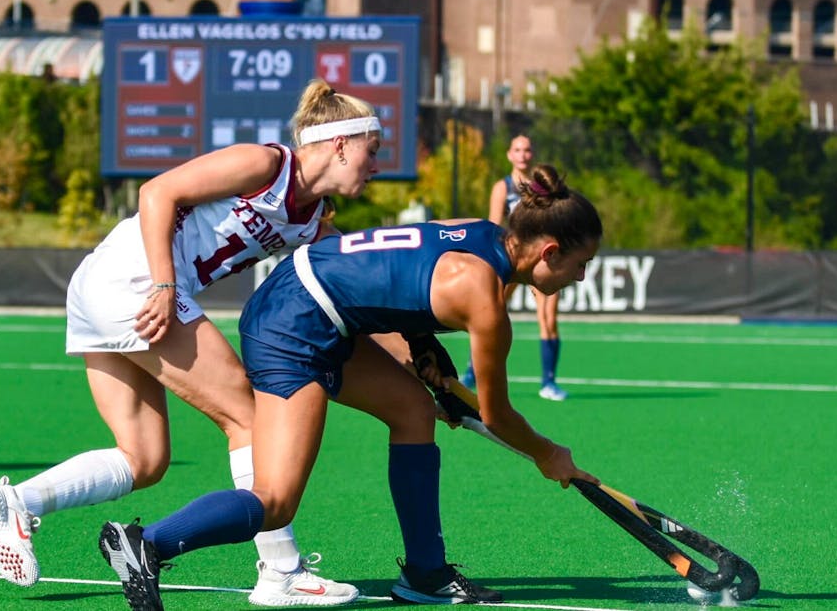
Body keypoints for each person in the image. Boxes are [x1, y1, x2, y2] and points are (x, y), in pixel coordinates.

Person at [98, 165, 603, 611]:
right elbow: (497, 415)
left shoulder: (481, 233)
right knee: (275, 500)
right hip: (291, 326)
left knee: (413, 410)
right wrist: (547, 453)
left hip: (317, 301)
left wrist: (423, 347)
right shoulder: (487, 303)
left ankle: (426, 573)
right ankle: (147, 543)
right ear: (550, 250)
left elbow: (402, 269)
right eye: (581, 264)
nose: (580, 277)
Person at [0, 79, 378, 604]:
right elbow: (156, 192)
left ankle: (18, 503)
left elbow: (354, 292)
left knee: (144, 459)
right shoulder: (265, 164)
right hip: (136, 281)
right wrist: (165, 284)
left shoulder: (315, 220)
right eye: (373, 150)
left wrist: (419, 364)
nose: (377, 165)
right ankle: (281, 572)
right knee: (249, 416)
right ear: (340, 143)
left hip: (109, 285)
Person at [462, 134, 567, 400]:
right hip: (511, 262)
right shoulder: (503, 187)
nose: (522, 154)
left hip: (541, 263)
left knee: (549, 319)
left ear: (532, 154)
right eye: (517, 150)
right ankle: (472, 371)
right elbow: (494, 226)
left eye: (527, 150)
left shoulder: (541, 187)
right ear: (510, 155)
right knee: (488, 314)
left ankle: (549, 383)